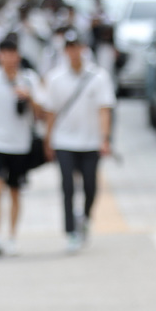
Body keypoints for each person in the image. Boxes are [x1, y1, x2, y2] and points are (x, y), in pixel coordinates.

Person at [0, 38, 46, 256]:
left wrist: (30, 98)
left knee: (15, 191)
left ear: (18, 56)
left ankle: (12, 236)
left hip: (20, 144)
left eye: (13, 54)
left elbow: (42, 112)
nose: (10, 58)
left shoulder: (29, 79)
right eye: (6, 54)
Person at [44, 31, 116, 253]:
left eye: (77, 46)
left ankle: (84, 218)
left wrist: (104, 139)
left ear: (83, 48)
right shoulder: (55, 78)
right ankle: (70, 232)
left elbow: (105, 110)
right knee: (67, 186)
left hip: (90, 141)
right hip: (64, 140)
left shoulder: (98, 77)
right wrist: (48, 139)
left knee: (90, 186)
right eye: (69, 47)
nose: (74, 51)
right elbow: (51, 111)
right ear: (65, 50)